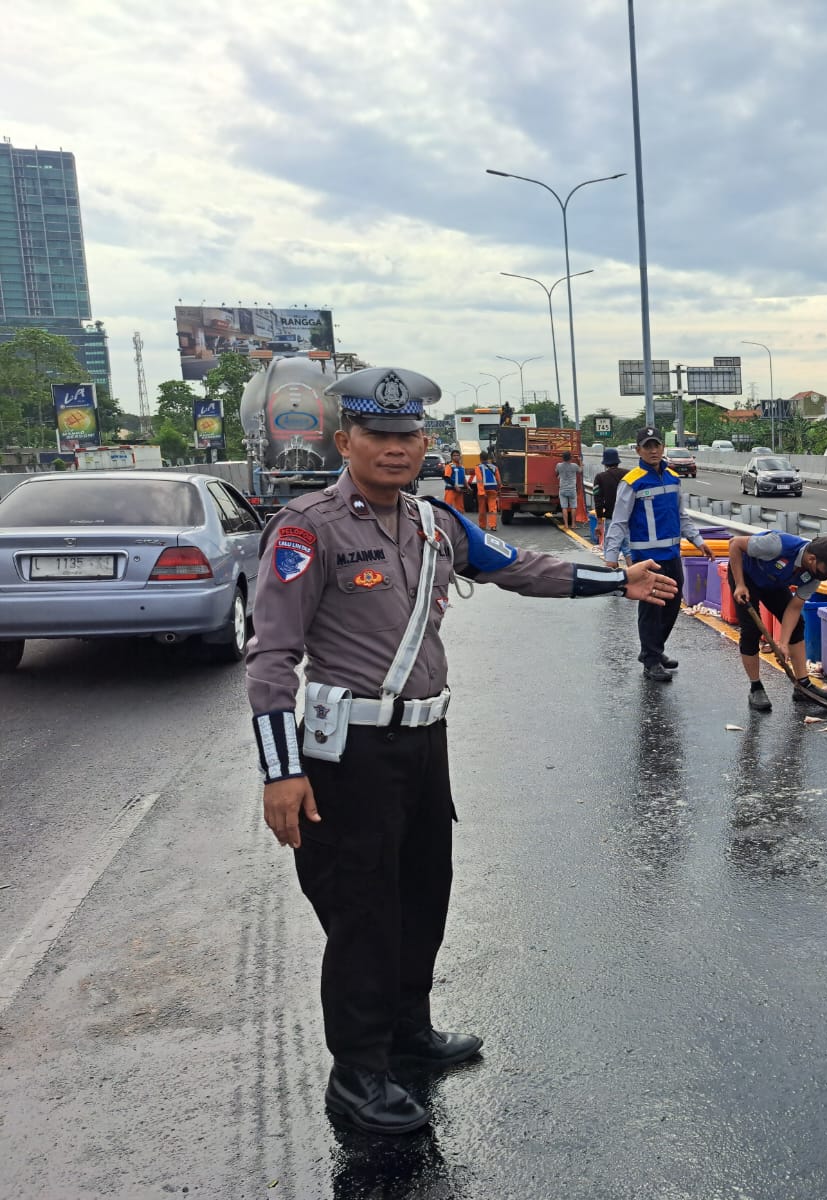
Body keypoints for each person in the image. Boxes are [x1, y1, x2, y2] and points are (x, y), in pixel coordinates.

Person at [245, 366, 676, 1136]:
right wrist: (281, 771)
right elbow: (271, 656)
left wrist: (618, 580)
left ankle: (408, 1031)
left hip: (423, 745)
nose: (396, 448)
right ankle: (358, 1074)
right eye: (378, 435)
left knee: (423, 894)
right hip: (350, 755)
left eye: (408, 435)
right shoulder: (309, 529)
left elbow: (521, 568)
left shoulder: (435, 524)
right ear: (346, 440)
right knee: (363, 914)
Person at [603, 426, 707, 681]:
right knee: (651, 608)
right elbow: (619, 521)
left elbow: (682, 516)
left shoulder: (672, 478)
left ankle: (654, 650)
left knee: (672, 605)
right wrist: (611, 555)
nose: (653, 450)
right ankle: (651, 661)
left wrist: (698, 540)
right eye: (647, 446)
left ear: (663, 448)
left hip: (672, 554)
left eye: (656, 445)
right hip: (647, 558)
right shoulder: (632, 481)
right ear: (638, 450)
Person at [727, 531, 827, 712]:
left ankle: (802, 685)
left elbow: (794, 608)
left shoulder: (815, 576)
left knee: (797, 625)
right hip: (745, 574)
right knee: (751, 630)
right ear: (812, 559)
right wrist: (740, 584)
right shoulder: (777, 545)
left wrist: (783, 643)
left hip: (773, 583)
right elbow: (735, 544)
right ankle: (756, 687)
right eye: (826, 568)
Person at [592, 446, 627, 548]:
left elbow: (598, 500)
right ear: (618, 461)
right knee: (627, 549)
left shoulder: (600, 477)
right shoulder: (628, 474)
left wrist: (599, 522)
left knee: (611, 548)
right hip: (627, 518)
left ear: (605, 463)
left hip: (610, 518)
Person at [554, 451, 583, 531]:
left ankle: (566, 525)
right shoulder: (574, 466)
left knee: (564, 507)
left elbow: (556, 473)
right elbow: (580, 470)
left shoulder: (559, 465)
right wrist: (580, 461)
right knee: (573, 507)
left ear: (563, 457)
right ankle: (573, 524)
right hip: (572, 489)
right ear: (570, 458)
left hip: (562, 488)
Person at [471, 454, 501, 532]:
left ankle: (482, 525)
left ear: (480, 459)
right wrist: (499, 489)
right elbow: (498, 480)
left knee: (482, 509)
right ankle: (493, 525)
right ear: (488, 458)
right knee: (493, 508)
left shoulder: (478, 467)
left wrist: (481, 492)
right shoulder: (494, 467)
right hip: (493, 489)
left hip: (483, 490)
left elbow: (479, 480)